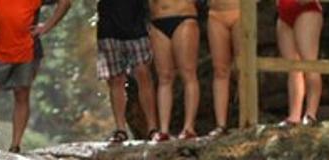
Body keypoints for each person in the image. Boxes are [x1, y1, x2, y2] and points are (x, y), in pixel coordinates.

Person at [0, 0, 73, 153]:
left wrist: (47, 26)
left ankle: (15, 145)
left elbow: (65, 2)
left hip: (28, 49)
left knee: (22, 93)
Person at [96, 0, 160, 144]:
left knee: (143, 75)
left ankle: (152, 128)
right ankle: (121, 129)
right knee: (115, 80)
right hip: (108, 28)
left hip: (137, 27)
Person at [147, 0, 200, 140]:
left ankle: (189, 127)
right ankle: (163, 130)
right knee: (164, 77)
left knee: (188, 73)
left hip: (183, 17)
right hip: (157, 20)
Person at [275, 0, 323, 125]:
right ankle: (294, 115)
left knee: (309, 63)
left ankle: (311, 114)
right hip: (283, 11)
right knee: (293, 68)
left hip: (306, 8)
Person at [205, 0, 241, 136]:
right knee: (220, 69)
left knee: (243, 68)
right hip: (216, 13)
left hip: (240, 11)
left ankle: (247, 119)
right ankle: (221, 124)